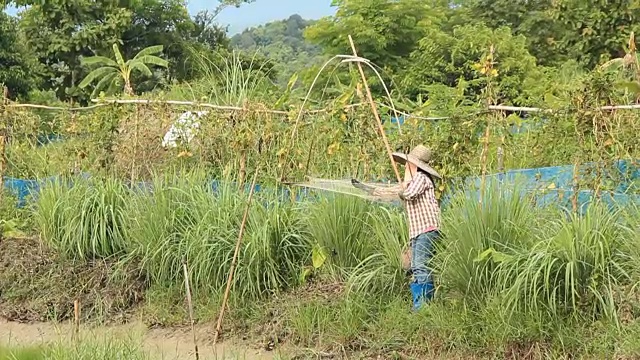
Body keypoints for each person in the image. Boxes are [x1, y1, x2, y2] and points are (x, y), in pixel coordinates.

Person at [352, 144, 442, 311]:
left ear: (416, 165)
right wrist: (370, 189)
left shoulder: (421, 178)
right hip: (417, 231)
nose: (406, 167)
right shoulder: (411, 182)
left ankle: (424, 306)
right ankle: (421, 304)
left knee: (421, 265)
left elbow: (407, 194)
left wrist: (400, 190)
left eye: (409, 164)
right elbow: (395, 191)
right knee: (416, 266)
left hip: (427, 229)